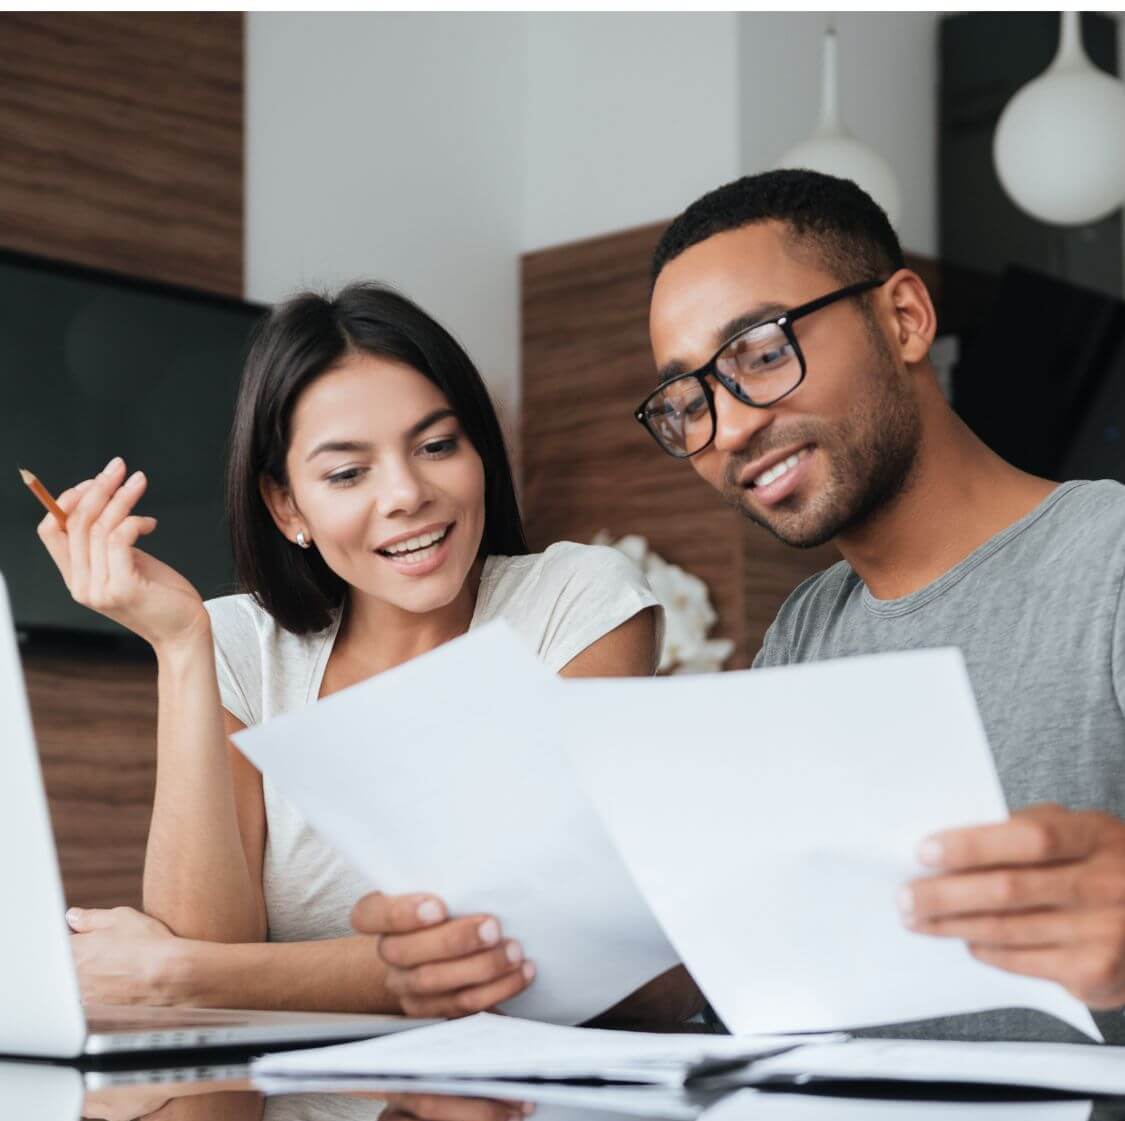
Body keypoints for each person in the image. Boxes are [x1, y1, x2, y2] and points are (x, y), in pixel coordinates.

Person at [37, 281, 668, 1020]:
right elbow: (207, 941)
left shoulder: (576, 602)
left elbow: (539, 952)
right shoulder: (241, 643)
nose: (405, 493)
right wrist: (180, 647)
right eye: (346, 472)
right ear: (286, 505)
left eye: (436, 445)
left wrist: (179, 973)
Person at [636, 168, 1125, 1041]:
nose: (731, 428)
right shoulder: (803, 632)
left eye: (759, 350)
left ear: (903, 317)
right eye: (688, 401)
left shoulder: (1109, 561)